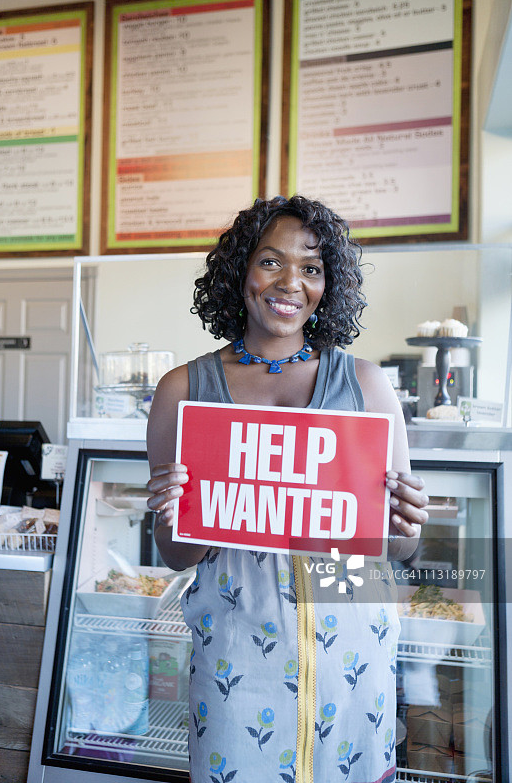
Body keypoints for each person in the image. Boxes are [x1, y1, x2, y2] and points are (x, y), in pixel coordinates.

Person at [146, 195, 428, 783]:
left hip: (351, 657)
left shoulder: (365, 385)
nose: (290, 283)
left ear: (329, 284)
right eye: (271, 261)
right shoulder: (184, 389)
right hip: (235, 653)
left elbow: (395, 550)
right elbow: (175, 553)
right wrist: (171, 513)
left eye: (312, 267)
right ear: (239, 270)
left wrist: (405, 525)